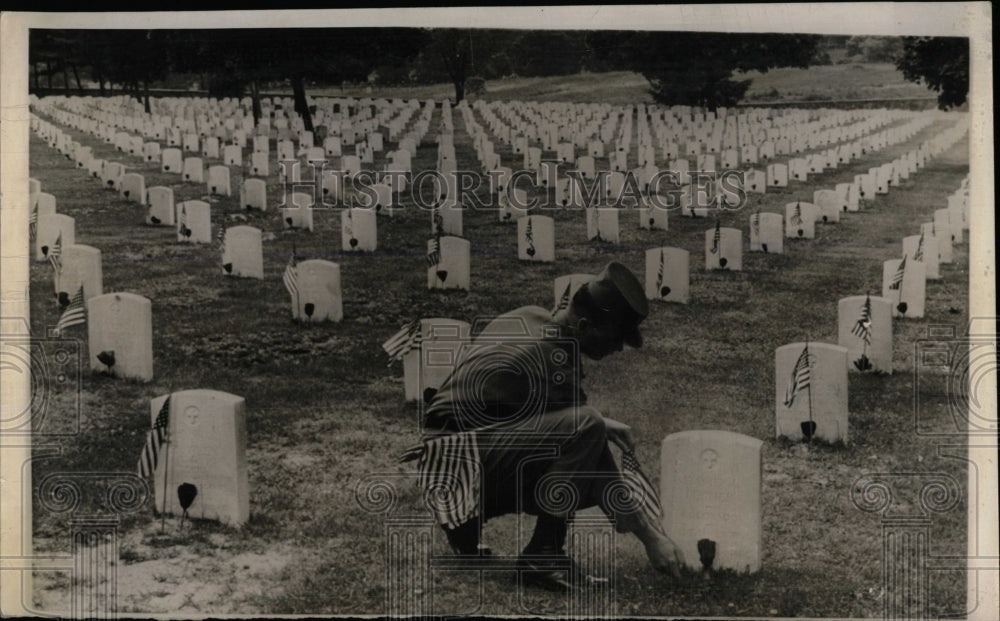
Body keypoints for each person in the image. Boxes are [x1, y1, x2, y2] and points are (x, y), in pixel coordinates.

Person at [405, 261, 685, 590]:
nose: (619, 347)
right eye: (616, 336)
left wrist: (598, 424)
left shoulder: (528, 316)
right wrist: (651, 538)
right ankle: (543, 555)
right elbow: (589, 445)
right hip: (461, 470)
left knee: (585, 430)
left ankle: (465, 531)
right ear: (583, 324)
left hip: (443, 464)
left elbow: (492, 397)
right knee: (585, 434)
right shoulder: (553, 362)